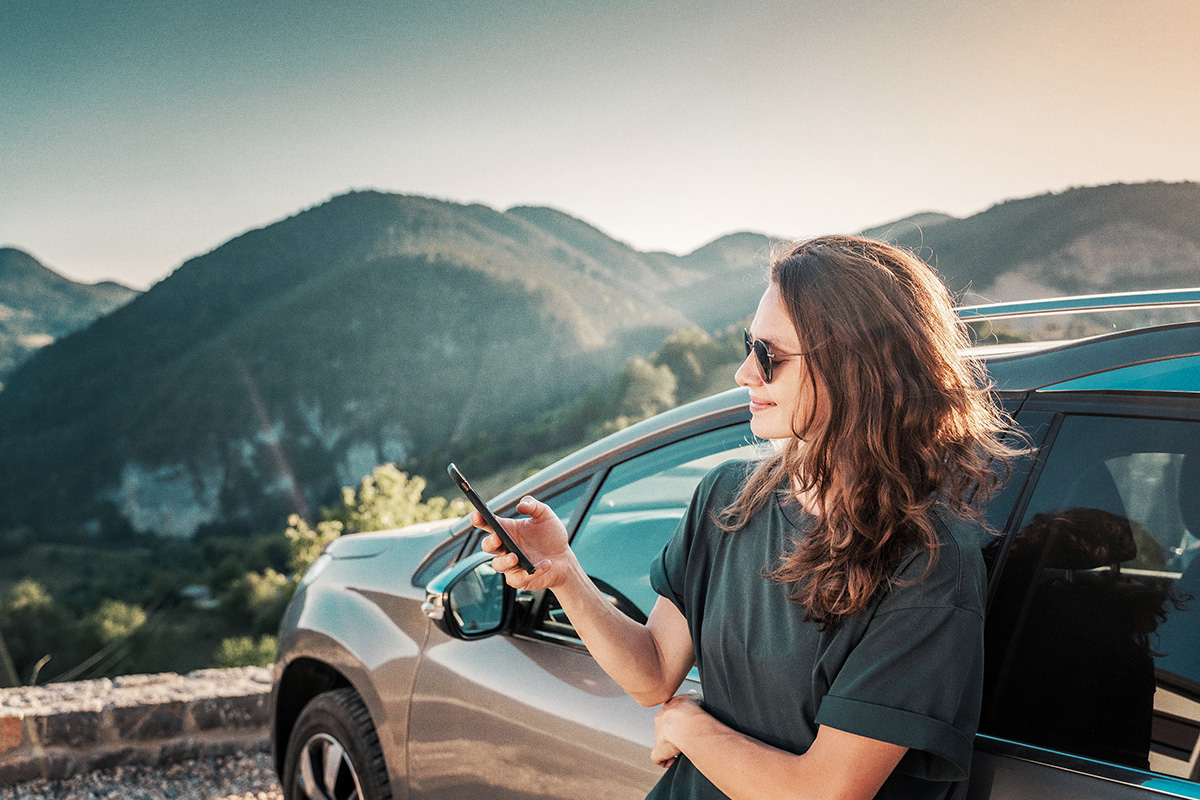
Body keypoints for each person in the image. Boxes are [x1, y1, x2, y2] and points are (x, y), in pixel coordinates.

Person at [477, 235, 1021, 800]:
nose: (743, 373)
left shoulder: (928, 566)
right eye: (749, 346)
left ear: (857, 370)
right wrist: (563, 570)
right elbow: (655, 670)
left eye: (769, 356)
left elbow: (823, 793)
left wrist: (689, 726)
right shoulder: (728, 497)